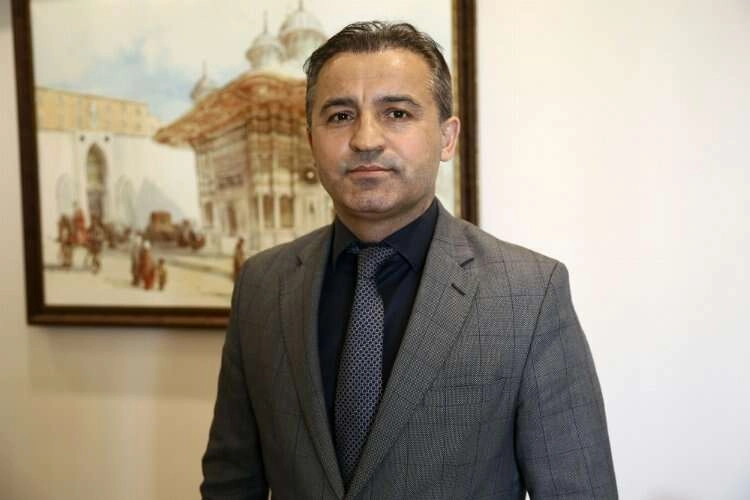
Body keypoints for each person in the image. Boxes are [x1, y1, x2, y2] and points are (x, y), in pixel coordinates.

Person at [201, 21, 617, 500]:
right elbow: (231, 482)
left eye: (396, 113)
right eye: (340, 116)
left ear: (447, 137)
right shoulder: (262, 285)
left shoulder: (529, 294)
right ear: (311, 140)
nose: (365, 139)